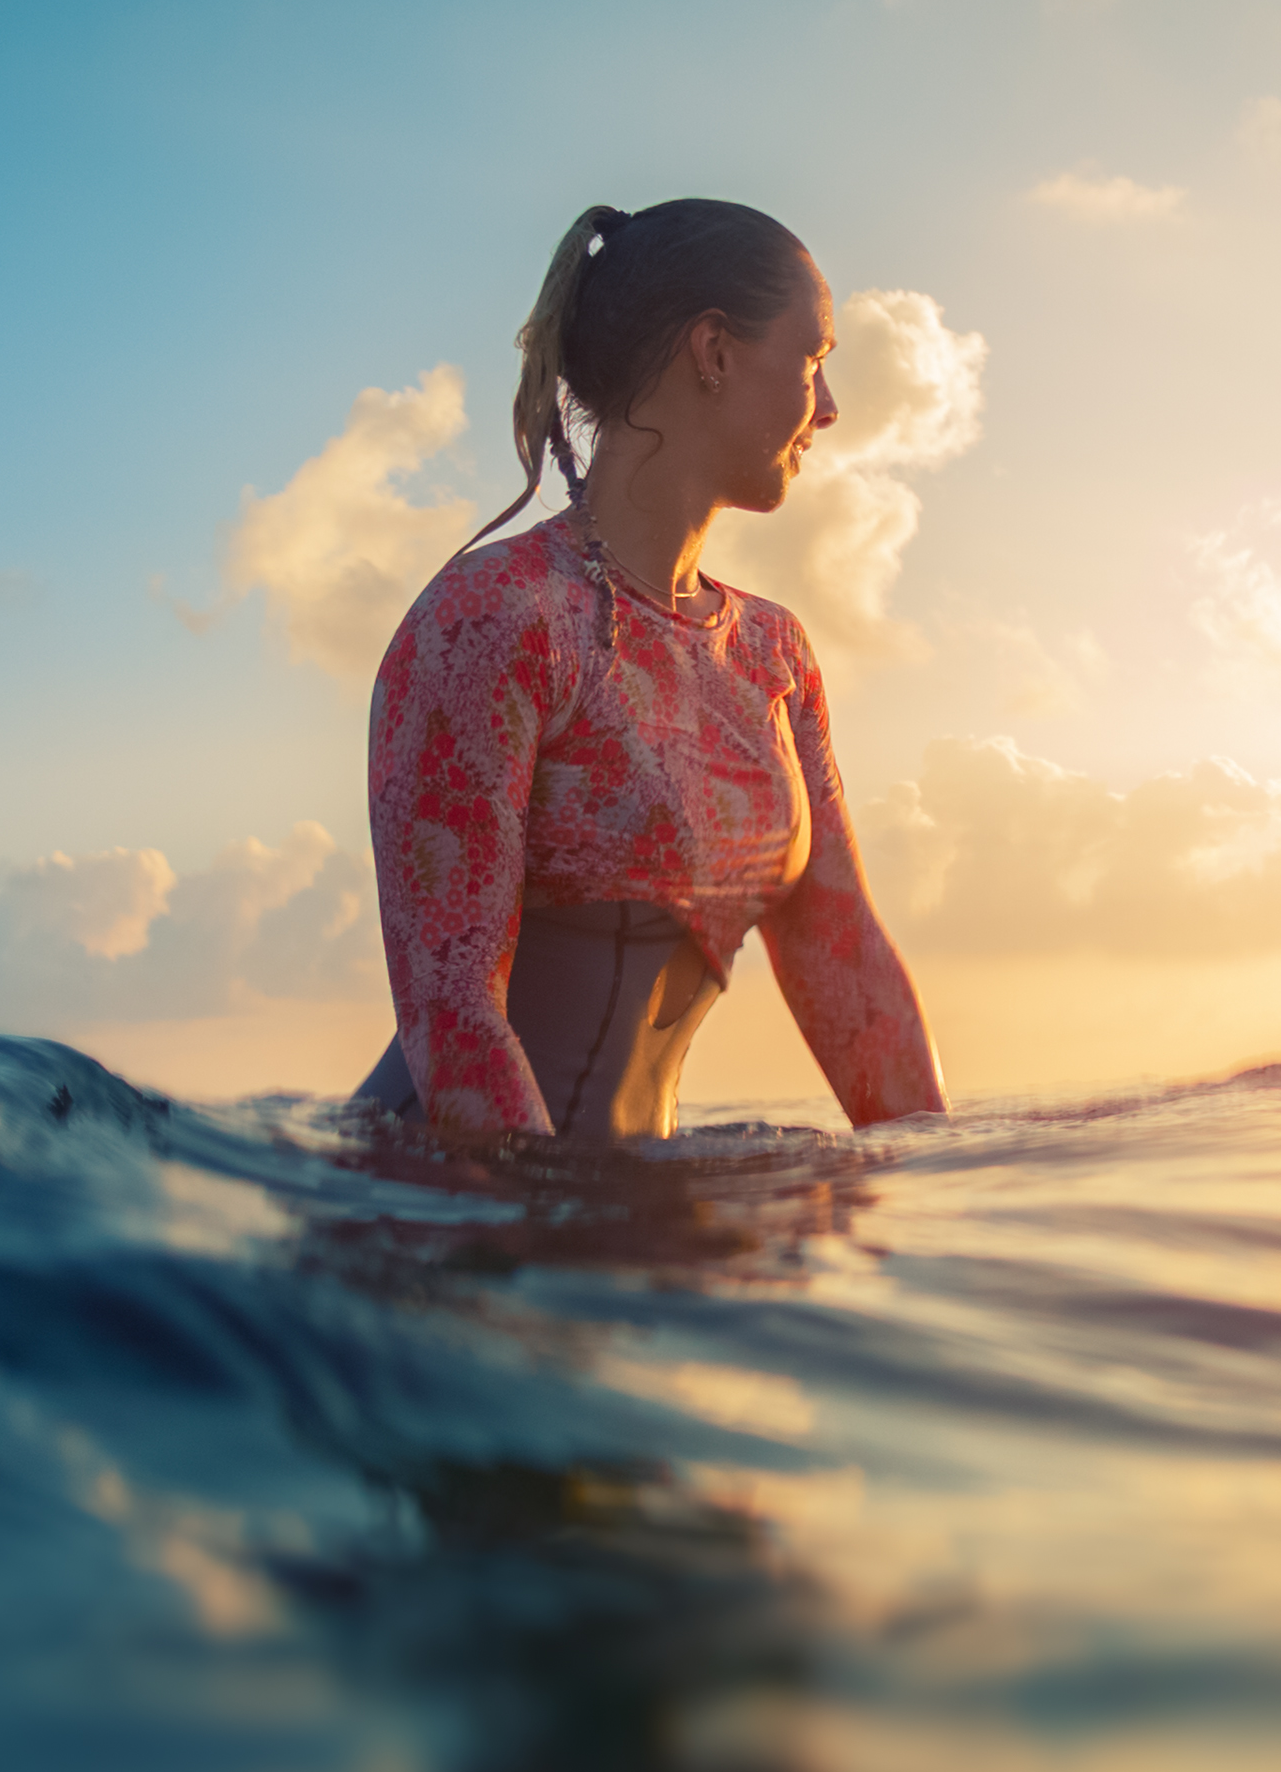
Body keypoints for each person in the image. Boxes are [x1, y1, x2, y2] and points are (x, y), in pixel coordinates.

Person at [349, 198, 947, 1139]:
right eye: (813, 359)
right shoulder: (496, 620)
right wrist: (547, 1245)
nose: (828, 409)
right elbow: (453, 1009)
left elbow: (846, 959)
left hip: (633, 1224)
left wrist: (944, 1210)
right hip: (443, 1223)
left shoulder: (772, 654)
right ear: (713, 352)